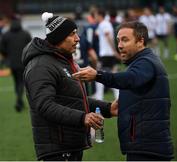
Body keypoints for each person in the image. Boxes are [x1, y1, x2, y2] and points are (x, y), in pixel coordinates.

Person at [22, 12, 118, 161]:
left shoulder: (62, 61)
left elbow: (73, 99)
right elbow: (44, 105)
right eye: (72, 34)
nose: (77, 38)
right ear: (58, 37)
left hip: (70, 146)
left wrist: (108, 108)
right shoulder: (41, 66)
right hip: (58, 149)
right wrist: (82, 118)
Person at [73, 21, 174, 161]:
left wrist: (98, 75)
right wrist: (112, 108)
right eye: (118, 40)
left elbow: (129, 79)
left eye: (125, 40)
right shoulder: (141, 62)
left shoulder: (146, 62)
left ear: (140, 41)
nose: (119, 45)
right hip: (144, 145)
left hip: (148, 148)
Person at [0, 14, 32, 112]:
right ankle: (19, 101)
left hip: (12, 63)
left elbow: (2, 48)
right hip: (23, 62)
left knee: (16, 82)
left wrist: (7, 57)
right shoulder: (25, 34)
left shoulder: (6, 35)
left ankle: (20, 102)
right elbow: (31, 47)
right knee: (21, 82)